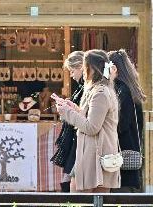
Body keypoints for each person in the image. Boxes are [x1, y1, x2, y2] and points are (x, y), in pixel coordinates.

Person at [55, 49, 120, 192]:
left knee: (81, 198)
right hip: (96, 153)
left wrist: (67, 113)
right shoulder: (99, 89)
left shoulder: (100, 92)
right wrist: (74, 109)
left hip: (96, 156)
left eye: (84, 67)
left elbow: (92, 127)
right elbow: (93, 118)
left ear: (92, 68)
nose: (83, 71)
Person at [108, 49, 146, 192]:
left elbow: (122, 123)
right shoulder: (130, 87)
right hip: (131, 146)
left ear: (114, 68)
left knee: (122, 193)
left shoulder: (121, 90)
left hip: (122, 152)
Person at [50, 51, 84, 192]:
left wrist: (69, 108)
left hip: (79, 136)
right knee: (69, 176)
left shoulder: (89, 88)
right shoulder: (83, 87)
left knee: (71, 179)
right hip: (75, 136)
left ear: (81, 66)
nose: (71, 75)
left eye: (72, 71)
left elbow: (85, 115)